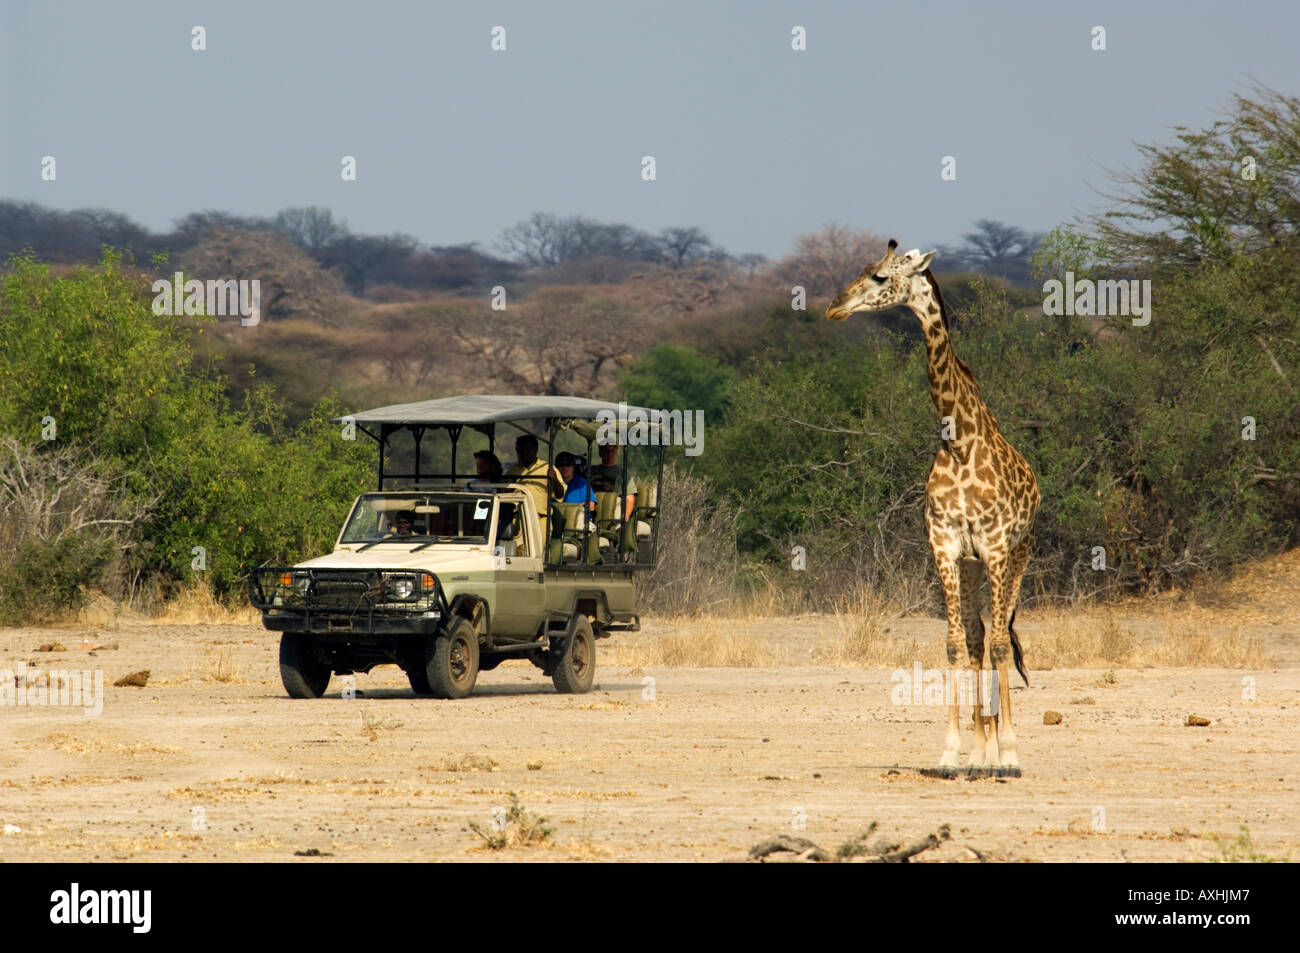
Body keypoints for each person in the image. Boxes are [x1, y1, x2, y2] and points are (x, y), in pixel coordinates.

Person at [505, 434, 565, 537]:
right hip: (517, 520)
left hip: (540, 520)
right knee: (515, 551)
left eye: (528, 450)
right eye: (520, 450)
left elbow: (560, 495)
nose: (524, 453)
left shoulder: (547, 468)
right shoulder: (513, 471)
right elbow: (504, 495)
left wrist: (554, 479)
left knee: (538, 552)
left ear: (535, 450)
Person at [589, 442, 636, 517]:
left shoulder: (624, 474)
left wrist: (624, 519)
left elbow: (630, 499)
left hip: (614, 512)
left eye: (613, 451)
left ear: (616, 453)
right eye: (606, 451)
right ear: (600, 453)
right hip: (592, 510)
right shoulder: (591, 471)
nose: (610, 454)